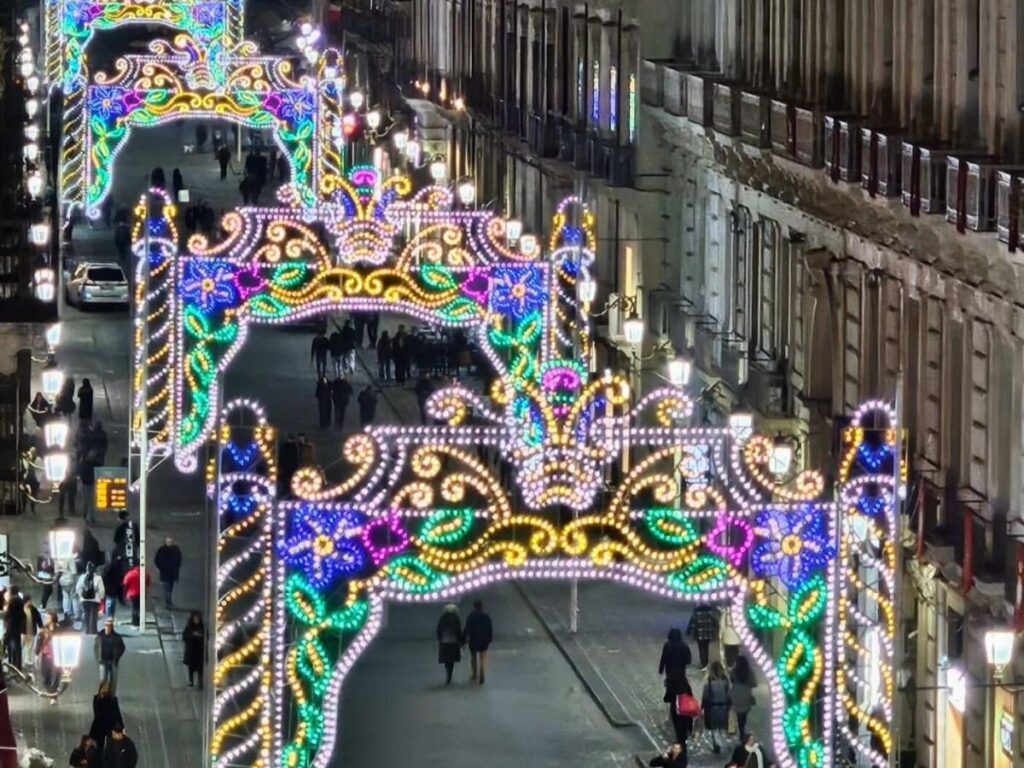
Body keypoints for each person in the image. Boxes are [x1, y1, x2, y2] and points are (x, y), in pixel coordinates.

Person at [659, 627, 693, 740]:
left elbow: (663, 659)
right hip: (681, 676)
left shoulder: (667, 646)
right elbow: (688, 660)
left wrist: (661, 669)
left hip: (670, 676)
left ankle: (675, 717)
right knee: (686, 696)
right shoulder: (684, 646)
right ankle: (687, 722)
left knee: (673, 698)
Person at [701, 661, 731, 754]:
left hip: (712, 708)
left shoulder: (709, 681)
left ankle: (716, 746)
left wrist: (703, 706)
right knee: (722, 727)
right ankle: (722, 742)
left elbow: (706, 695)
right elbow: (729, 694)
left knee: (714, 728)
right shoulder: (725, 680)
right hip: (723, 707)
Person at [462, 599, 493, 684]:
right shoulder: (486, 616)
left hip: (473, 640)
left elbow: (467, 629)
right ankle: (482, 671)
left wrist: (463, 640)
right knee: (483, 657)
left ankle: (474, 673)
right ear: (481, 606)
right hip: (484, 640)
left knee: (473, 656)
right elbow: (490, 629)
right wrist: (489, 639)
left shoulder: (471, 616)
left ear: (474, 607)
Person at [89, 683, 122, 754]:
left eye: (107, 689)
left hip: (109, 724)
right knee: (100, 745)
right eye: (104, 688)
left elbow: (117, 712)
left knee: (110, 745)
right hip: (100, 725)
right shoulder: (98, 699)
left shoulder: (112, 700)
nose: (105, 690)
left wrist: (121, 726)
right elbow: (97, 712)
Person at [730, 655, 756, 743]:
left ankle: (741, 732)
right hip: (746, 695)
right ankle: (742, 731)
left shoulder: (734, 671)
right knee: (743, 715)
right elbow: (754, 683)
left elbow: (731, 680)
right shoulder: (749, 672)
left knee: (739, 714)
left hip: (736, 694)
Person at [95, 619, 125, 691]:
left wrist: (118, 655)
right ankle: (101, 694)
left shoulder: (117, 637)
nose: (107, 628)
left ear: (112, 627)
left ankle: (112, 696)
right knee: (103, 679)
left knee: (113, 681)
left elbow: (122, 647)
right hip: (103, 661)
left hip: (113, 661)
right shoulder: (100, 636)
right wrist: (98, 658)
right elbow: (96, 647)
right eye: (106, 626)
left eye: (109, 626)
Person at [436, 604, 462, 685]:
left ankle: (448, 674)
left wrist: (439, 638)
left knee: (446, 659)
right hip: (454, 641)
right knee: (452, 660)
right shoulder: (456, 619)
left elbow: (439, 629)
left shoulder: (443, 619)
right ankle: (450, 674)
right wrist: (461, 640)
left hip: (444, 641)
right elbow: (458, 630)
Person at [687, 605, 719, 670]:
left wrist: (689, 631)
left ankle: (703, 663)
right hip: (708, 634)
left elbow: (692, 623)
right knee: (706, 648)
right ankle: (706, 662)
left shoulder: (696, 614)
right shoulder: (710, 613)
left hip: (699, 634)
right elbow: (715, 623)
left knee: (701, 648)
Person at [33, 612, 59, 695]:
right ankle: (50, 691)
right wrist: (36, 652)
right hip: (46, 656)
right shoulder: (43, 630)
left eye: (49, 618)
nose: (47, 619)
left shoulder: (59, 629)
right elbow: (38, 641)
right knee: (45, 676)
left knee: (55, 677)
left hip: (56, 656)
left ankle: (53, 693)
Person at [77, 562, 106, 634]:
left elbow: (78, 588)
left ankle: (86, 630)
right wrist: (101, 597)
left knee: (85, 614)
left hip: (84, 600)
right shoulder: (98, 578)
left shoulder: (82, 577)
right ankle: (93, 630)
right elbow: (101, 590)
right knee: (93, 615)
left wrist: (81, 596)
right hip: (95, 600)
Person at [154, 537, 182, 609]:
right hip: (169, 572)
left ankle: (168, 602)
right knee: (168, 588)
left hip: (167, 572)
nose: (169, 543)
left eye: (170, 542)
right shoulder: (175, 550)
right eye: (168, 542)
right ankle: (168, 603)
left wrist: (161, 567)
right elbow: (179, 560)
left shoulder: (163, 550)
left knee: (168, 588)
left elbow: (157, 560)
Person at [122, 561, 149, 627]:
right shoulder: (144, 573)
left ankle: (135, 622)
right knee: (140, 608)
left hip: (132, 594)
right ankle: (141, 621)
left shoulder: (130, 574)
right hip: (141, 593)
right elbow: (148, 582)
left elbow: (125, 584)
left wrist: (125, 592)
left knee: (134, 608)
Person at [182, 611, 205, 688]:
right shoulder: (189, 627)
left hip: (200, 652)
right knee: (191, 668)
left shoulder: (202, 627)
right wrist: (193, 636)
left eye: (198, 619)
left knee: (200, 669)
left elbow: (206, 636)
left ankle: (200, 683)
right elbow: (185, 637)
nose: (196, 620)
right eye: (195, 619)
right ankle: (191, 680)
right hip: (191, 652)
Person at [3, 590, 24, 669]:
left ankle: (11, 665)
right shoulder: (19, 601)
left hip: (11, 628)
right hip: (17, 628)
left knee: (8, 646)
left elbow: (7, 614)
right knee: (17, 648)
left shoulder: (12, 600)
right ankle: (17, 666)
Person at [21, 594, 41, 667]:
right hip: (23, 631)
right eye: (29, 600)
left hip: (31, 631)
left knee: (29, 647)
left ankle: (27, 659)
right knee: (21, 646)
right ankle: (20, 660)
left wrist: (41, 626)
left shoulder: (33, 609)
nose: (30, 602)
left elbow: (38, 618)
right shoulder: (20, 609)